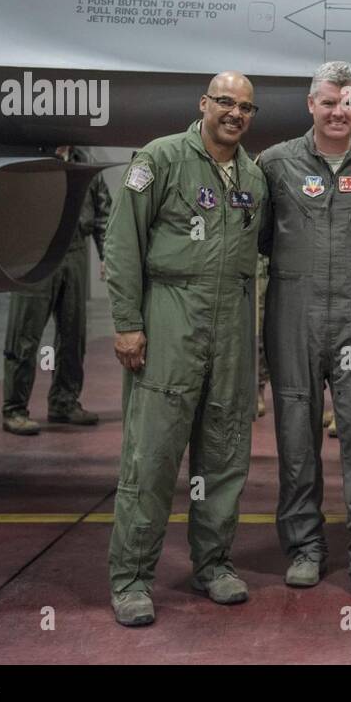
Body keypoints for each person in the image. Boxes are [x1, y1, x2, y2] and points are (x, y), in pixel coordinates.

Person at [104, 71, 268, 627]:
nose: (235, 114)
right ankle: (131, 579)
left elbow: (257, 262)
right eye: (225, 102)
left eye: (245, 107)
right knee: (151, 458)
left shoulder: (253, 174)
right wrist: (128, 322)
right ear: (204, 104)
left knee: (223, 457)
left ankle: (214, 565)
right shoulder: (160, 158)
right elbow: (123, 240)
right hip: (171, 317)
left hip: (231, 328)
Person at [257, 61, 351, 603]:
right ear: (310, 106)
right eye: (328, 102)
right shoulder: (274, 165)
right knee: (296, 444)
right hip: (292, 320)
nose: (337, 111)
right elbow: (257, 249)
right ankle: (305, 550)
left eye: (347, 103)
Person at [1, 146, 111, 436]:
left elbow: (103, 213)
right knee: (24, 336)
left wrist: (106, 255)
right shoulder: (28, 160)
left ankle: (64, 402)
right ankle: (14, 409)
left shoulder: (85, 162)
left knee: (73, 335)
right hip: (33, 253)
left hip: (74, 253)